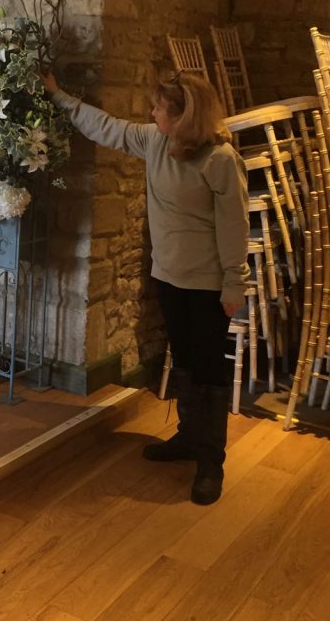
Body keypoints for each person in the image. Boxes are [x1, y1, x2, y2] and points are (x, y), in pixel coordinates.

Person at [42, 68, 249, 506]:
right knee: (186, 361)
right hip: (169, 277)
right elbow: (106, 128)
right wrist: (58, 95)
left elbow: (234, 226)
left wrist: (235, 283)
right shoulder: (155, 141)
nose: (150, 111)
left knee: (209, 371)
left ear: (182, 115)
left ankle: (212, 461)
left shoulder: (220, 160)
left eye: (159, 106)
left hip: (210, 285)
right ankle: (189, 438)